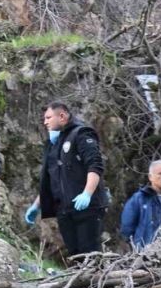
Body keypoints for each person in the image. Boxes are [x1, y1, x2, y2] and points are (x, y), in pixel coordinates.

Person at [24, 102, 109, 256]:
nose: (45, 122)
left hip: (87, 209)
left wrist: (87, 194)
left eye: (48, 117)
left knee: (90, 255)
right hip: (64, 211)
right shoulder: (52, 144)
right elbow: (49, 180)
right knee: (75, 256)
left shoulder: (81, 134)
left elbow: (95, 165)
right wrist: (36, 206)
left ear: (62, 116)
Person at [120, 160, 161, 250]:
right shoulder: (140, 199)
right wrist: (137, 247)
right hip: (147, 251)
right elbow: (127, 228)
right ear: (150, 177)